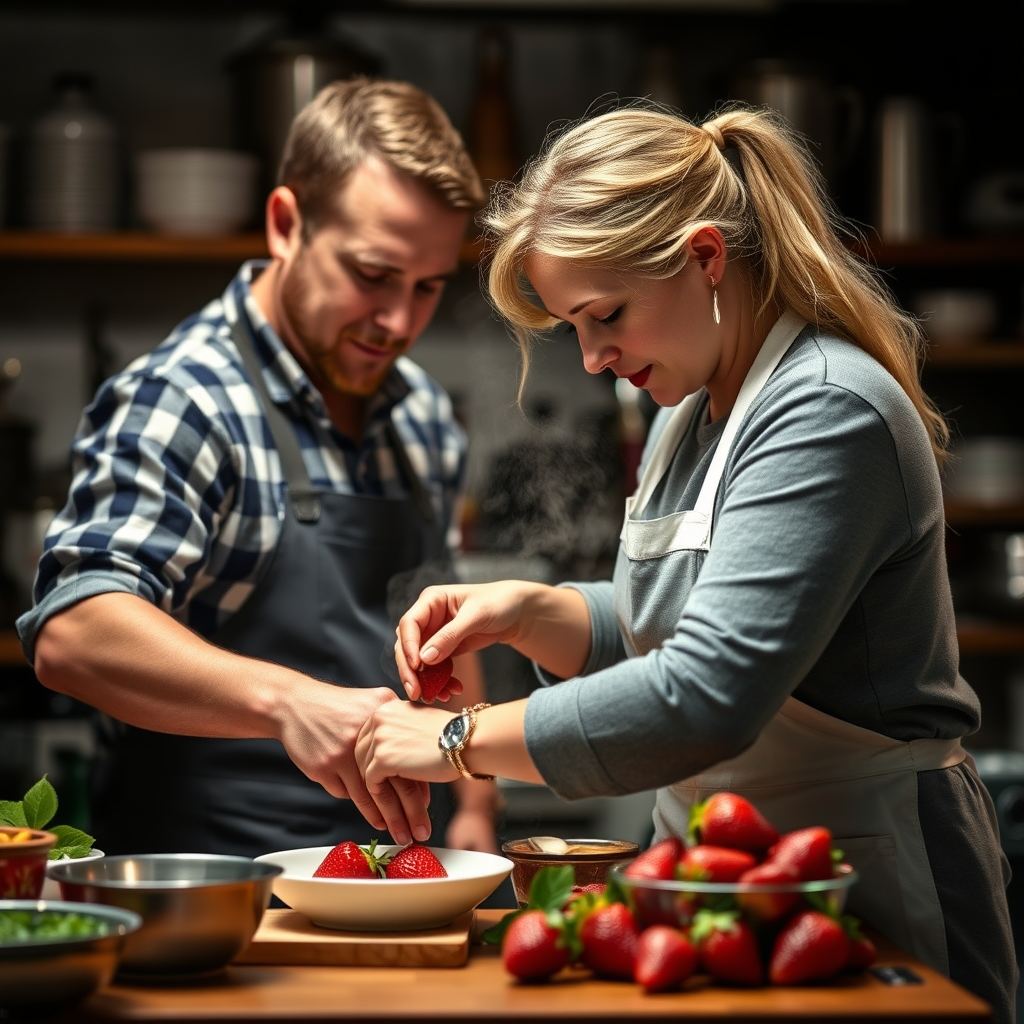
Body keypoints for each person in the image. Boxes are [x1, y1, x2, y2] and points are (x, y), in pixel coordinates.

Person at [353, 102, 1017, 1019]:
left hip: (866, 872)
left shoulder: (828, 411)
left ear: (707, 257)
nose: (591, 359)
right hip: (718, 883)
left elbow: (707, 691)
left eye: (605, 315)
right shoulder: (688, 413)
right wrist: (534, 610)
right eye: (572, 330)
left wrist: (458, 743)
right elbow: (681, 615)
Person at [16, 77, 501, 860]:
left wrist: (476, 807)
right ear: (285, 224)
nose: (400, 323)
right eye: (373, 275)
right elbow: (73, 632)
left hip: (410, 882)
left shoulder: (422, 416)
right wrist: (286, 701)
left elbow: (444, 634)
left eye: (428, 288)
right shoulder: (186, 399)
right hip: (221, 902)